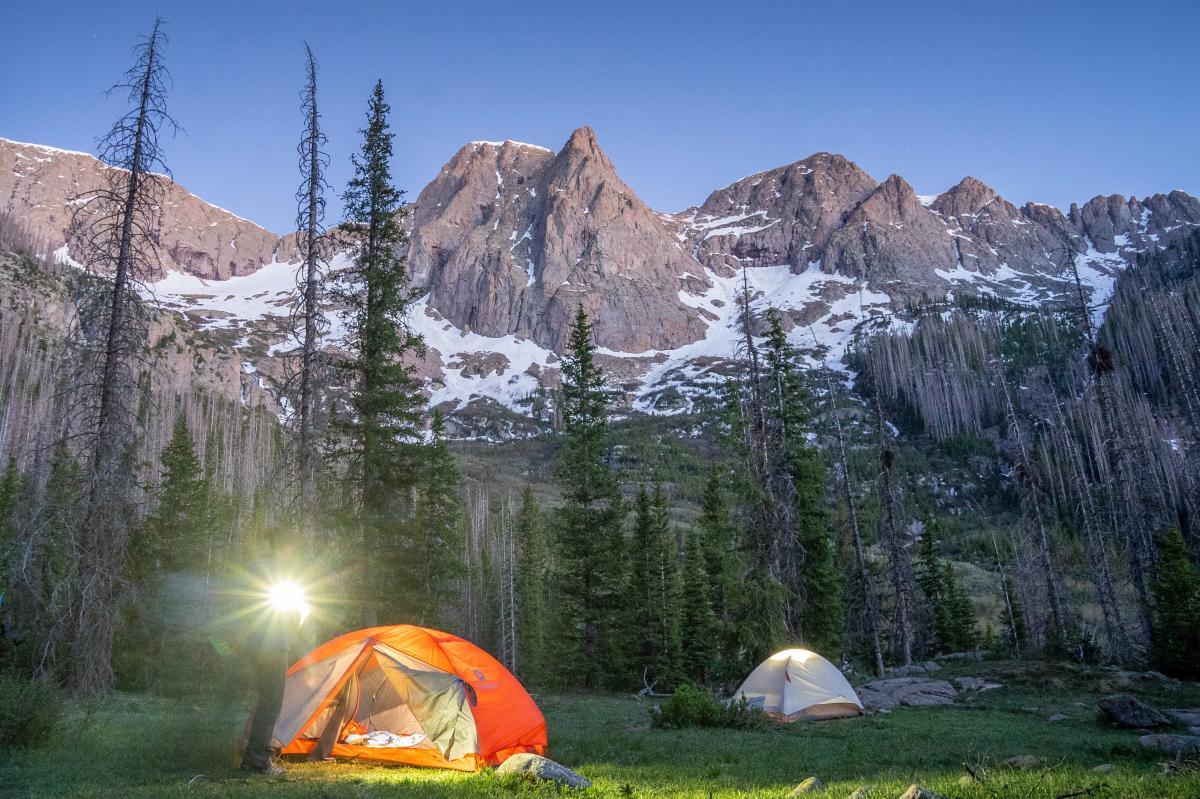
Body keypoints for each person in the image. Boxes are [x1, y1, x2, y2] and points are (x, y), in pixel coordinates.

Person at [240, 552, 307, 775]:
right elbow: (296, 617)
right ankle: (258, 761)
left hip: (254, 647)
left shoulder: (253, 576)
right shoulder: (286, 582)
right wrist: (292, 635)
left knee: (263, 701)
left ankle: (252, 755)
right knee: (270, 704)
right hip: (275, 648)